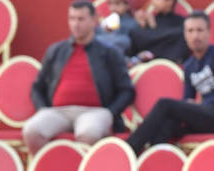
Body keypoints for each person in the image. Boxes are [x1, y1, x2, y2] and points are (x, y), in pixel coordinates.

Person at [24, 1, 135, 155]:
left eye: (81, 19)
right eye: (72, 19)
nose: (76, 24)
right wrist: (43, 109)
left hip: (95, 112)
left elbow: (126, 91)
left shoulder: (110, 53)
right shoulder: (56, 51)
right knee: (32, 131)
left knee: (88, 133)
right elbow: (37, 87)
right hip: (58, 112)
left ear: (93, 20)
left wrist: (110, 113)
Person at [125, 10, 214, 155]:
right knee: (166, 125)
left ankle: (130, 148)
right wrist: (195, 106)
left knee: (165, 104)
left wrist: (203, 104)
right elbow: (187, 101)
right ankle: (158, 162)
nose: (195, 36)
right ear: (185, 35)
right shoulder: (189, 65)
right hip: (204, 117)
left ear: (209, 32)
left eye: (200, 30)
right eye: (190, 31)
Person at [126, 0, 189, 65]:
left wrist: (153, 28)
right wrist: (143, 26)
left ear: (170, 1)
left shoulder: (182, 23)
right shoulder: (149, 20)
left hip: (170, 62)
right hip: (144, 64)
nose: (153, 2)